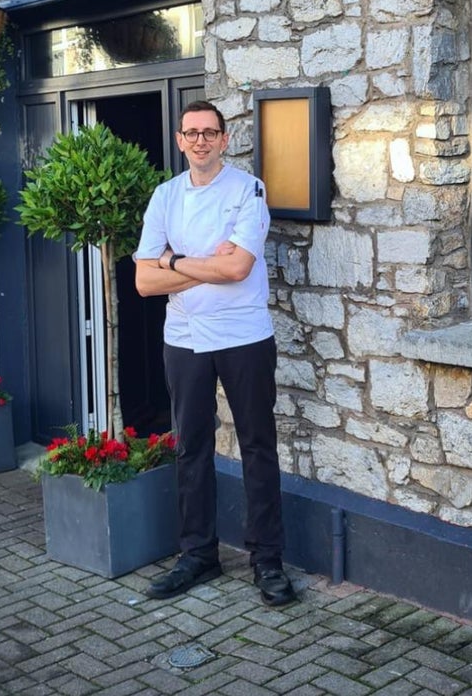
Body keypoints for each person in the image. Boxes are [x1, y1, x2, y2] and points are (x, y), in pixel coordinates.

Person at [134, 100, 295, 606]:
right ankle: (198, 554)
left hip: (244, 335)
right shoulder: (163, 197)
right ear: (180, 141)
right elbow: (142, 281)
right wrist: (204, 262)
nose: (200, 140)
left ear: (225, 140)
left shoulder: (248, 189)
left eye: (210, 132)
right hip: (183, 339)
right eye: (191, 133)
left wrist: (173, 260)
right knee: (191, 447)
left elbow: (238, 270)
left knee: (257, 447)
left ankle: (267, 561)